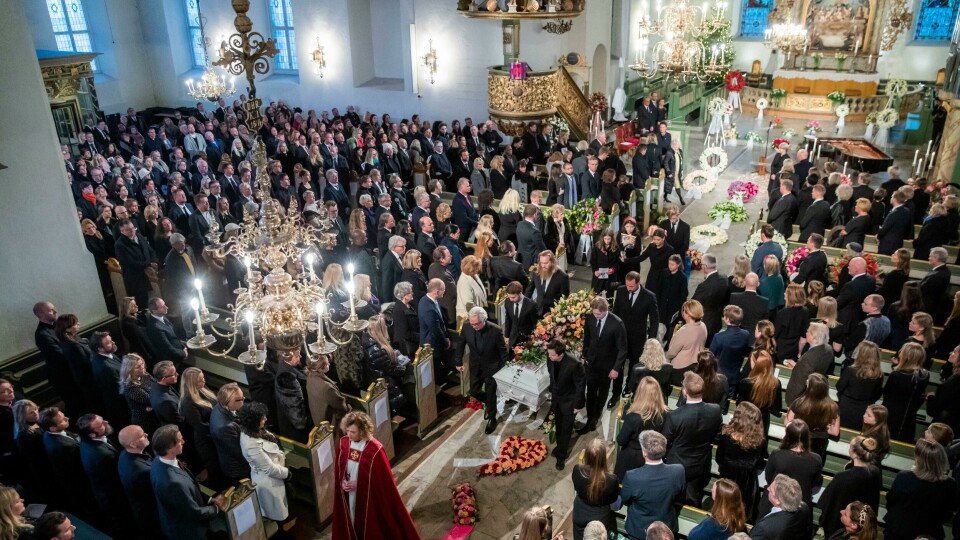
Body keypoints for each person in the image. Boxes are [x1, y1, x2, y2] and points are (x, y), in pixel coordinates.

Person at [333, 411, 420, 539]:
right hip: (348, 494)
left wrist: (360, 484)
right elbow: (340, 468)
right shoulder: (344, 443)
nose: (349, 435)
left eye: (353, 432)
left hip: (369, 498)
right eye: (347, 431)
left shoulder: (375, 449)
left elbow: (382, 481)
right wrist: (342, 482)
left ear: (362, 431)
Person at [149, 425, 224, 540]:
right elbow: (193, 513)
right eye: (179, 441)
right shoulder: (173, 483)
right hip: (189, 531)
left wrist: (208, 499)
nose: (183, 442)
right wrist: (217, 507)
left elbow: (189, 488)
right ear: (170, 448)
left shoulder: (159, 460)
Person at [663, 372, 723, 506]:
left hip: (676, 465)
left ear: (684, 391)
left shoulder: (674, 416)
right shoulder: (715, 410)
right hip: (700, 463)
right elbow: (717, 437)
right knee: (693, 499)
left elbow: (665, 443)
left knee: (672, 500)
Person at [884, 438, 958, 540]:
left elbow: (891, 501)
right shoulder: (950, 484)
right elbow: (948, 513)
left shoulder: (904, 477)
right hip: (930, 532)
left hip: (899, 530)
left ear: (919, 459)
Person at [236, 402, 293, 529]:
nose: (265, 419)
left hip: (275, 476)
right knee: (277, 516)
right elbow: (269, 468)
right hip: (269, 482)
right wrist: (287, 474)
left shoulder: (254, 430)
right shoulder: (251, 444)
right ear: (254, 421)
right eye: (262, 418)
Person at [621, 430, 685, 539]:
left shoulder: (632, 477)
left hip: (638, 529)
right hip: (666, 526)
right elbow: (679, 494)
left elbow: (625, 500)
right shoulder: (678, 470)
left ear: (644, 453)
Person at [456, 307, 510, 434]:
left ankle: (492, 418)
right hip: (475, 365)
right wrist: (458, 361)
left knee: (491, 393)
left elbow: (503, 352)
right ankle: (489, 402)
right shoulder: (467, 326)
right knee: (474, 391)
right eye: (472, 323)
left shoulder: (495, 330)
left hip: (492, 367)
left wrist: (503, 370)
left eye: (476, 324)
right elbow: (460, 344)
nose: (473, 326)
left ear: (484, 320)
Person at [818, 437, 883, 538]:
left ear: (853, 453)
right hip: (864, 528)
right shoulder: (875, 473)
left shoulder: (842, 477)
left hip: (839, 529)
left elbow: (826, 505)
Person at [580, 297, 628, 431]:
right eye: (594, 313)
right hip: (591, 362)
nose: (596, 317)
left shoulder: (617, 324)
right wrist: (585, 354)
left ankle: (595, 417)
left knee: (602, 393)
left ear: (606, 310)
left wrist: (616, 369)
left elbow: (623, 349)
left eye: (599, 314)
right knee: (590, 391)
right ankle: (590, 418)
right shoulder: (590, 318)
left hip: (607, 366)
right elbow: (587, 338)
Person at [612, 272, 660, 398]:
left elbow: (655, 320)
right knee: (619, 365)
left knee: (634, 365)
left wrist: (651, 341)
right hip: (621, 337)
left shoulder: (649, 296)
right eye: (627, 285)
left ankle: (629, 388)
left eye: (631, 286)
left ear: (638, 283)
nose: (629, 288)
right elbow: (615, 312)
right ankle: (616, 393)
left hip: (638, 339)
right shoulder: (621, 291)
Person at [761, 419, 823, 515]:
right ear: (807, 437)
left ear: (787, 436)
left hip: (777, 501)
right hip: (799, 505)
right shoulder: (816, 459)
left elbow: (769, 478)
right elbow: (814, 482)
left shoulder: (777, 454)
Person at [716, 402, 764, 522]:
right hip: (748, 483)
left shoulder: (726, 437)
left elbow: (719, 459)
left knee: (724, 510)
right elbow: (759, 463)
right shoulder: (760, 442)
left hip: (728, 479)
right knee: (743, 513)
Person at [615, 376, 668, 480]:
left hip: (631, 459)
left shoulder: (632, 417)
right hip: (654, 457)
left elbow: (621, 440)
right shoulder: (665, 414)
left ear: (640, 393)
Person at [179, 367, 223, 487]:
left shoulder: (203, 389)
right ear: (192, 384)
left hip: (215, 433)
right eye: (200, 380)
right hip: (207, 441)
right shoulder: (188, 402)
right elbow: (200, 426)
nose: (204, 381)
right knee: (216, 470)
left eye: (203, 378)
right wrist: (219, 428)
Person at [117, 425, 162, 540]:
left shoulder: (125, 453)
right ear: (133, 444)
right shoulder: (142, 471)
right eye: (142, 435)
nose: (146, 434)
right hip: (151, 514)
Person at [572, 438, 620, 540]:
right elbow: (613, 500)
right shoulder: (612, 480)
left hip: (580, 513)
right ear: (603, 458)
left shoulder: (577, 470)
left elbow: (576, 488)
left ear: (586, 455)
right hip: (600, 518)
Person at [787, 373, 840, 462]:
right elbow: (834, 432)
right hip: (819, 444)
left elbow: (788, 422)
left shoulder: (799, 402)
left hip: (799, 438)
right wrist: (822, 428)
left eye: (808, 382)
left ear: (810, 388)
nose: (806, 382)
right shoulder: (833, 406)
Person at [883, 342, 930, 441]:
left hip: (892, 416)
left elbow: (887, 395)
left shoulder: (896, 375)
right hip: (909, 416)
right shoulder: (925, 375)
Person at [836, 341, 884, 430]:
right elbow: (877, 393)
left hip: (846, 408)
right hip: (864, 410)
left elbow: (839, 386)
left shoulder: (851, 370)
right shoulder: (879, 375)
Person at [749, 474, 812, 540]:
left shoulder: (764, 528)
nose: (767, 489)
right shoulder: (804, 507)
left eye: (770, 490)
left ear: (777, 501)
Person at [736, 348, 782, 436]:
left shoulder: (746, 382)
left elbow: (739, 404)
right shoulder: (776, 383)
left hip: (746, 421)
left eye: (752, 360)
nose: (750, 363)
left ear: (757, 364)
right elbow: (776, 408)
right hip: (763, 423)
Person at [210, 383, 248, 484]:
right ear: (227, 402)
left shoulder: (222, 406)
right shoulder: (224, 427)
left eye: (243, 398)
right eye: (238, 400)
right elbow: (240, 453)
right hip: (239, 470)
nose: (242, 403)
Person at [710, 306, 749, 396]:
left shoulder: (718, 337)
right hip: (734, 378)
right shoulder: (746, 335)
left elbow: (711, 356)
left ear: (727, 319)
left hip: (718, 377)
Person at [306, 354, 351, 433]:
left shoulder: (310, 377)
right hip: (331, 423)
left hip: (317, 420)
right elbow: (340, 406)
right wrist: (348, 407)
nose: (329, 364)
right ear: (321, 368)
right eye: (327, 364)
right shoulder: (327, 387)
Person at [666, 300, 708, 385]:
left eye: (684, 310)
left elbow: (672, 352)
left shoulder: (684, 331)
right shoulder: (703, 326)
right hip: (696, 365)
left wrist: (666, 357)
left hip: (680, 368)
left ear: (688, 314)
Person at [692, 254, 731, 344]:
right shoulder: (724, 278)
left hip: (705, 323)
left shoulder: (704, 286)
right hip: (717, 321)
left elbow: (694, 304)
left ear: (705, 266)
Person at [275, 349, 309, 442]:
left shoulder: (289, 366)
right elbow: (295, 412)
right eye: (297, 356)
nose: (301, 357)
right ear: (288, 357)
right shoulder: (286, 377)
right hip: (295, 431)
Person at [120, 354, 159, 436]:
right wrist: (153, 404)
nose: (143, 367)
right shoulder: (131, 387)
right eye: (138, 367)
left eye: (142, 364)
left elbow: (157, 386)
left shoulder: (144, 374)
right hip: (146, 422)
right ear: (130, 370)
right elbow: (151, 400)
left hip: (154, 414)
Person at [842, 295, 890, 360]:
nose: (862, 304)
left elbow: (850, 343)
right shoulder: (887, 321)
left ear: (874, 308)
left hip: (857, 359)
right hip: (873, 357)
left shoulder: (866, 324)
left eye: (865, 304)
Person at [927, 345, 960, 434]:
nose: (950, 353)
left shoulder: (954, 381)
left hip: (942, 428)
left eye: (954, 351)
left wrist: (931, 397)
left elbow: (934, 408)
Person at [775, 284, 811, 365]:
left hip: (780, 351)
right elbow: (803, 336)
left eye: (786, 293)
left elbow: (775, 334)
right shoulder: (805, 311)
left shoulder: (782, 313)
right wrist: (799, 353)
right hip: (794, 351)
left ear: (791, 297)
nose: (784, 293)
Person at [526, 250, 571, 316]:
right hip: (537, 311)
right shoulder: (536, 272)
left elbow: (564, 299)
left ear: (553, 262)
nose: (543, 266)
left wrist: (554, 313)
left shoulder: (563, 277)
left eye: (546, 263)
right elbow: (529, 291)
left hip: (553, 314)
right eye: (541, 263)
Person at [656, 255, 688, 341]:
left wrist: (680, 309)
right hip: (663, 305)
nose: (670, 266)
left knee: (671, 325)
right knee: (661, 323)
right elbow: (659, 288)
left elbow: (683, 295)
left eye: (672, 264)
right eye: (669, 264)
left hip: (674, 306)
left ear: (678, 265)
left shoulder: (682, 277)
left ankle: (669, 342)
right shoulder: (664, 273)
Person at [729, 274, 769, 341]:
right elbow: (765, 322)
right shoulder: (764, 301)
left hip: (737, 337)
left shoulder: (734, 297)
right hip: (755, 339)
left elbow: (730, 318)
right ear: (758, 284)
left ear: (744, 282)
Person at [876, 189, 915, 254]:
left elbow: (885, 228)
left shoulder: (894, 213)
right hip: (898, 243)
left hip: (887, 244)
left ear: (895, 199)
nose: (890, 198)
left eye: (891, 197)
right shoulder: (907, 211)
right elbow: (910, 227)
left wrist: (878, 235)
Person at [503, 281, 538, 349]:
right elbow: (508, 319)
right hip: (513, 337)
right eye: (509, 297)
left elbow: (535, 323)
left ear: (520, 293)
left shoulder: (531, 305)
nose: (511, 299)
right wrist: (506, 335)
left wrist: (534, 336)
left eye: (513, 297)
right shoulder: (507, 302)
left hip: (526, 338)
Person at [456, 255, 488, 320]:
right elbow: (468, 304)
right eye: (476, 268)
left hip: (477, 313)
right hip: (469, 317)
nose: (478, 270)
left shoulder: (473, 275)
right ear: (471, 269)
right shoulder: (464, 282)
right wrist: (481, 315)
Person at [590, 228, 620, 294]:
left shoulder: (616, 248)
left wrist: (613, 269)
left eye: (609, 239)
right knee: (595, 297)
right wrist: (595, 270)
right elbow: (592, 261)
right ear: (602, 238)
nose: (607, 241)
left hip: (610, 278)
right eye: (605, 239)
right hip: (598, 276)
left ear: (612, 238)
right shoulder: (597, 246)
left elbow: (618, 262)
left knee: (610, 299)